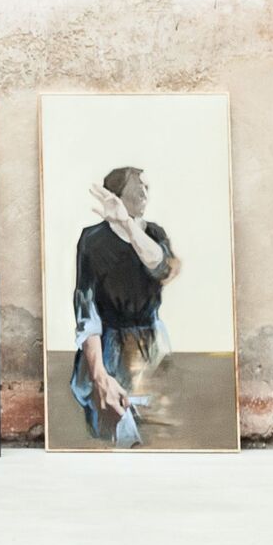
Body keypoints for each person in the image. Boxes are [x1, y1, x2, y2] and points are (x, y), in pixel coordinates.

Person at [70, 166, 180, 447]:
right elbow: (86, 311)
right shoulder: (92, 240)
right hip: (108, 348)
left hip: (152, 346)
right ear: (117, 195)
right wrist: (99, 374)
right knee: (112, 429)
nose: (145, 193)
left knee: (157, 431)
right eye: (138, 187)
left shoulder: (154, 234)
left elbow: (161, 267)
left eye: (146, 187)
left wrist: (127, 224)